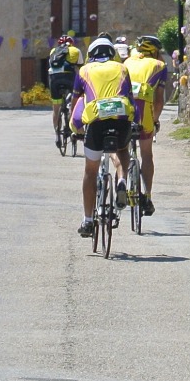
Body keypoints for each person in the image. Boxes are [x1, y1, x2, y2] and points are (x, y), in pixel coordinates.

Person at [70, 38, 134, 237]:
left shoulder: (84, 71)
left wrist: (75, 127)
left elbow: (76, 100)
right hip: (121, 118)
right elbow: (130, 97)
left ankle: (88, 220)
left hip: (97, 120)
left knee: (91, 171)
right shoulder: (122, 68)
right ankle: (122, 180)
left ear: (91, 54)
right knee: (122, 149)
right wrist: (136, 122)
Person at [123, 37, 170, 216]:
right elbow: (158, 100)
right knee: (146, 154)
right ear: (156, 51)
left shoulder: (126, 62)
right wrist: (156, 120)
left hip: (124, 108)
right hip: (143, 109)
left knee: (123, 149)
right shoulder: (159, 66)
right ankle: (148, 196)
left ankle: (123, 182)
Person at [46, 34, 82, 146]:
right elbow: (81, 67)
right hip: (69, 78)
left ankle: (57, 134)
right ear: (72, 43)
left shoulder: (53, 51)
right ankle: (72, 128)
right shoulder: (76, 50)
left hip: (54, 80)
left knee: (56, 109)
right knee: (74, 102)